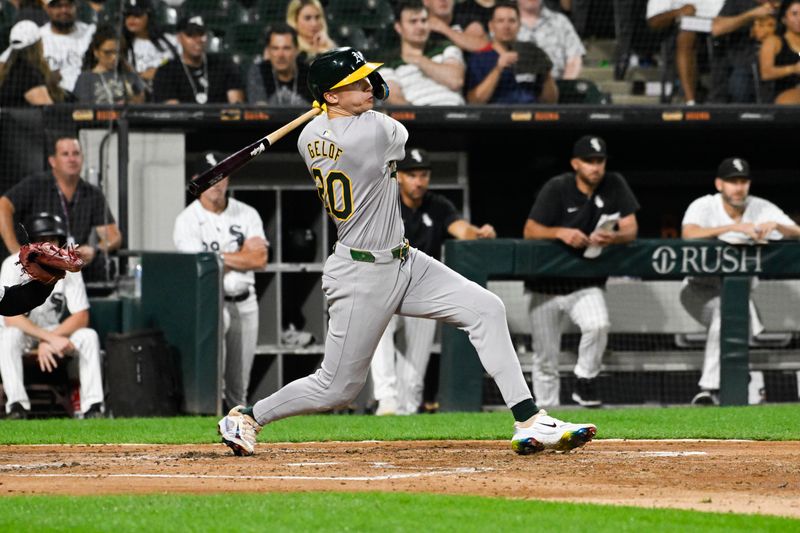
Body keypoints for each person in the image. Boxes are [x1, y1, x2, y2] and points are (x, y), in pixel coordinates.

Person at [217, 46, 596, 457]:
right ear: (330, 96)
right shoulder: (374, 132)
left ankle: (530, 420)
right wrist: (364, 100)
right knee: (337, 387)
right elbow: (396, 125)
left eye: (366, 79)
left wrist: (341, 104)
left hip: (404, 260)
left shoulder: (309, 135)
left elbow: (350, 113)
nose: (368, 86)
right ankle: (248, 415)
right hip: (361, 273)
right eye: (355, 82)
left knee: (485, 308)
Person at [370, 147, 497, 416]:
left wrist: (480, 233)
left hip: (421, 288)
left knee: (416, 366)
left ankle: (404, 411)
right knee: (378, 336)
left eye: (423, 175)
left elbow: (461, 230)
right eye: (412, 174)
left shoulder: (438, 205)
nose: (419, 181)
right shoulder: (384, 201)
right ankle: (386, 400)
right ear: (399, 177)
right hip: (385, 282)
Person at [523, 136, 640, 408]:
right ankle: (545, 415)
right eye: (589, 161)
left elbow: (631, 228)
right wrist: (560, 232)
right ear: (576, 163)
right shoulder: (558, 187)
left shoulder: (614, 184)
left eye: (600, 161)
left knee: (598, 324)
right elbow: (530, 231)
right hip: (545, 287)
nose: (595, 167)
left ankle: (585, 379)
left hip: (585, 282)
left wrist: (614, 238)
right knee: (545, 359)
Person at [680, 157, 800, 405]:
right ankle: (727, 379)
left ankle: (711, 390)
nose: (738, 187)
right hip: (698, 289)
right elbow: (688, 234)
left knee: (728, 314)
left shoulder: (761, 207)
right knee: (728, 314)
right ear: (719, 184)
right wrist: (731, 229)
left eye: (743, 181)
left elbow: (797, 232)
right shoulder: (704, 205)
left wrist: (777, 225)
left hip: (739, 291)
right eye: (732, 181)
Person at [173, 152, 268, 411]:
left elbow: (259, 258)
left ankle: (239, 427)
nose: (217, 182)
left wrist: (217, 258)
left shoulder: (247, 213)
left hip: (246, 302)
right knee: (216, 380)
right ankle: (212, 428)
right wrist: (238, 257)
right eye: (210, 176)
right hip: (212, 305)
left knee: (240, 385)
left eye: (222, 175)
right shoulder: (186, 221)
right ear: (197, 181)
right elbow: (202, 268)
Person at [0, 212, 104, 419]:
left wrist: (51, 338)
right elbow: (11, 316)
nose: (47, 245)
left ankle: (93, 408)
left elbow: (81, 316)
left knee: (88, 336)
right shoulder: (12, 265)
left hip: (53, 332)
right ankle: (18, 408)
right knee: (9, 336)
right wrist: (46, 339)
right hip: (24, 333)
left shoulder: (64, 267)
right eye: (41, 240)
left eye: (52, 239)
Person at [0, 135, 122, 277]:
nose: (71, 159)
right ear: (53, 161)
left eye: (76, 153)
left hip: (73, 270)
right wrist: (16, 251)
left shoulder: (92, 193)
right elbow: (3, 205)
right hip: (37, 268)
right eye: (65, 154)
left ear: (82, 158)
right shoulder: (35, 185)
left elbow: (114, 237)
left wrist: (95, 249)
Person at [466, 2, 558, 104]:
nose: (506, 26)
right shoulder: (479, 58)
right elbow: (474, 101)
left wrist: (547, 73)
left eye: (512, 21)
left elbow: (550, 102)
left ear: (519, 24)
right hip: (497, 117)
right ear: (491, 26)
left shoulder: (531, 53)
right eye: (500, 21)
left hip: (532, 115)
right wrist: (498, 69)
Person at [381, 0, 466, 106]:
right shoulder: (389, 64)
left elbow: (455, 81)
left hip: (455, 116)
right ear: (398, 27)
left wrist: (418, 59)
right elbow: (394, 98)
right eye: (413, 21)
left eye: (424, 20)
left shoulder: (446, 48)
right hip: (416, 118)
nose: (420, 27)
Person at [0, 0, 96, 93]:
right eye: (58, 6)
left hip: (87, 96)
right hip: (49, 99)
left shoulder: (91, 33)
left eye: (68, 5)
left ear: (76, 7)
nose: (64, 10)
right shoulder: (35, 37)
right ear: (47, 8)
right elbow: (4, 63)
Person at [152, 15, 244, 104]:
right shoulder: (167, 71)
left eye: (201, 34)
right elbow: (173, 113)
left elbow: (236, 108)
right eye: (190, 35)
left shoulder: (224, 66)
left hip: (220, 120)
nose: (197, 40)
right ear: (179, 38)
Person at [710, 0, 777, 103]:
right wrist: (750, 15)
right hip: (745, 62)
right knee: (739, 83)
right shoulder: (738, 2)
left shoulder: (786, 4)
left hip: (781, 60)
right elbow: (716, 28)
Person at [121, 0, 180, 98]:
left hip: (167, 94)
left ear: (149, 16)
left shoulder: (170, 41)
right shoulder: (121, 44)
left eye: (137, 15)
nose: (131, 19)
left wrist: (159, 73)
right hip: (135, 98)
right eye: (127, 15)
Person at [73, 24, 145, 104]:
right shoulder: (86, 78)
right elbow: (84, 109)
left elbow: (140, 103)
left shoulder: (129, 75)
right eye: (108, 53)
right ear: (96, 52)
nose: (114, 57)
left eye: (117, 52)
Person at [0, 19, 65, 105]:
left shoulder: (9, 69)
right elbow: (48, 111)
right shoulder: (26, 72)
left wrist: (49, 81)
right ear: (39, 44)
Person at [516, 0, 586, 79]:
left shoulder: (560, 22)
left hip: (557, 86)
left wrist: (565, 85)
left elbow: (574, 59)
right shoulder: (503, 23)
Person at [246, 24, 312, 105]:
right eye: (275, 48)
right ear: (268, 51)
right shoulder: (259, 71)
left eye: (286, 48)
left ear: (296, 50)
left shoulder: (309, 74)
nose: (280, 55)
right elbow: (260, 112)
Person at [759, 0, 800, 103]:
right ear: (784, 19)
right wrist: (793, 69)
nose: (799, 18)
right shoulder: (773, 42)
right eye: (794, 14)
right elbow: (766, 73)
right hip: (783, 93)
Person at [423, 0, 490, 51]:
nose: (443, 0)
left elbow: (482, 45)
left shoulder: (466, 17)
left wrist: (444, 29)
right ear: (426, 1)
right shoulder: (418, 24)